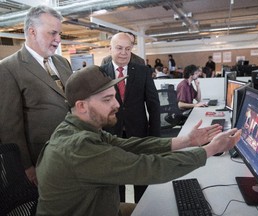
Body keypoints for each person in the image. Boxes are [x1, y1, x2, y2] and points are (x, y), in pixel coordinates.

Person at [36, 65, 242, 216]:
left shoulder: (79, 129)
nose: (116, 104)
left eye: (114, 96)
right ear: (81, 106)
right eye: (107, 100)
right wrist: (210, 149)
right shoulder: (78, 148)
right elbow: (148, 168)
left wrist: (185, 141)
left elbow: (130, 145)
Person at [0, 5, 72, 185]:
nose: (58, 40)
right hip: (42, 161)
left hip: (74, 152)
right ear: (32, 32)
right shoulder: (8, 68)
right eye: (53, 33)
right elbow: (10, 126)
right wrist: (25, 166)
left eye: (60, 34)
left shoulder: (63, 63)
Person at [101, 32, 160, 203]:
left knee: (140, 179)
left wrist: (155, 138)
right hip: (110, 135)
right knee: (115, 181)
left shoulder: (142, 71)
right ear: (110, 48)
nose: (124, 53)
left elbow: (154, 105)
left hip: (138, 134)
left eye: (128, 48)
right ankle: (119, 210)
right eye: (119, 48)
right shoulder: (100, 73)